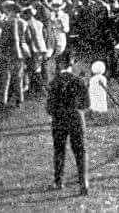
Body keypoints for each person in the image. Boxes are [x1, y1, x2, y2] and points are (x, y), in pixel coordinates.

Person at [46, 51, 89, 195]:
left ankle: (58, 181)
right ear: (72, 64)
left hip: (59, 119)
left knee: (59, 150)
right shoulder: (79, 81)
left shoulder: (53, 83)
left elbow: (49, 109)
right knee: (80, 151)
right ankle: (84, 183)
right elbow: (86, 104)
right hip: (76, 118)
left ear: (59, 64)